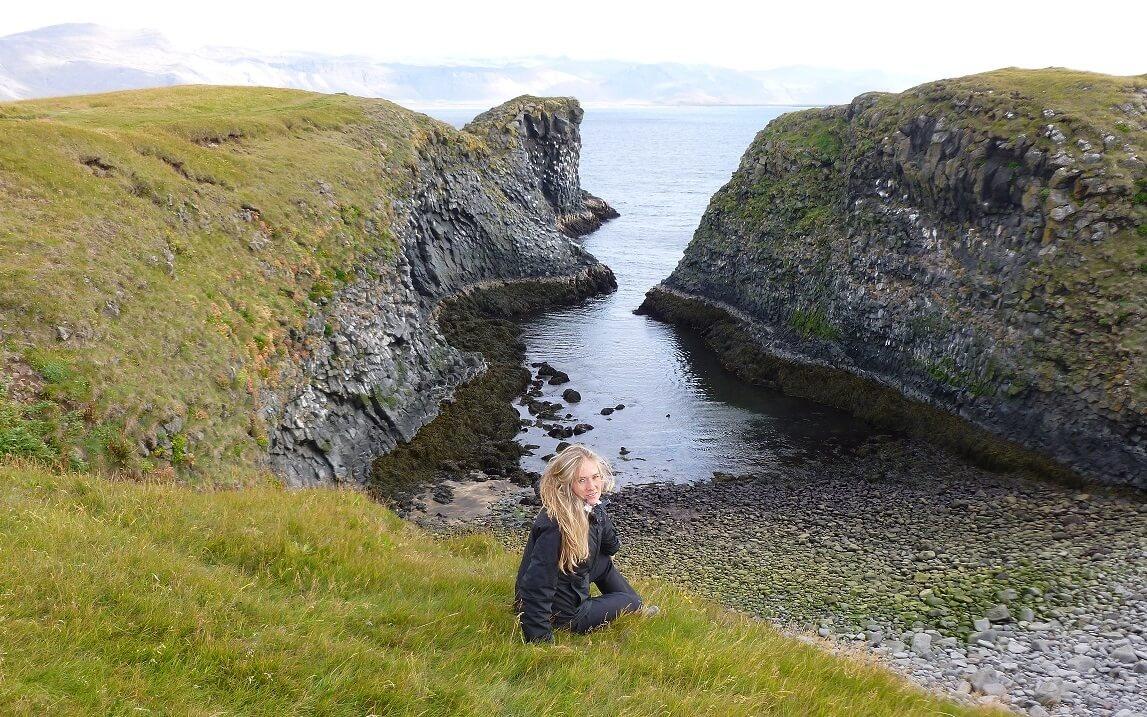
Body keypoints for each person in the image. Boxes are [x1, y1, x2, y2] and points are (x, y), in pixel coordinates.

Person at [514, 444, 658, 643]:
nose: (592, 486)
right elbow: (536, 585)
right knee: (633, 601)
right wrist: (540, 640)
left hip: (570, 581)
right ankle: (633, 606)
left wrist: (599, 513)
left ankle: (634, 609)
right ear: (566, 483)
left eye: (595, 477)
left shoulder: (588, 505)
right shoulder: (556, 526)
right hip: (565, 613)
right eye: (582, 480)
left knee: (604, 562)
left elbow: (609, 544)